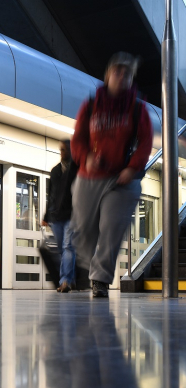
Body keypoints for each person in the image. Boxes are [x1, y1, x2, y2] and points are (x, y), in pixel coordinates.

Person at [71, 52, 153, 298]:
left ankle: (100, 280)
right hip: (89, 176)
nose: (122, 76)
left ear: (131, 79)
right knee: (84, 231)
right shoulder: (92, 104)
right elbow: (78, 138)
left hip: (121, 180)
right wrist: (85, 156)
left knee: (111, 228)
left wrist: (132, 167)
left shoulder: (137, 109)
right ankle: (88, 265)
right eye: (117, 71)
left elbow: (146, 142)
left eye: (127, 73)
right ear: (107, 75)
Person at [41, 140, 78, 293]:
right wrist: (46, 216)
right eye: (61, 150)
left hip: (72, 215)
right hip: (56, 216)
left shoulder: (78, 169)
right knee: (63, 251)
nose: (63, 153)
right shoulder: (55, 171)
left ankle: (64, 281)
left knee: (67, 246)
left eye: (65, 150)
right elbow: (51, 195)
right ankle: (72, 279)